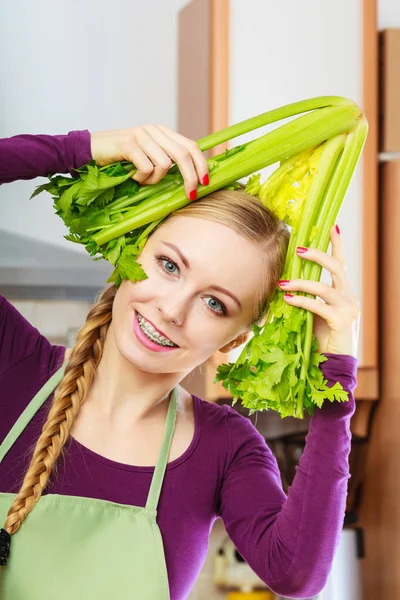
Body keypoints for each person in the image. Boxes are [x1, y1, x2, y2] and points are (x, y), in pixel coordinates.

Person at [0, 125, 359, 599]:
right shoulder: (14, 365)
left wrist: (336, 379)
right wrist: (82, 149)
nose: (171, 309)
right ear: (132, 249)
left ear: (236, 340)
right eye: (169, 266)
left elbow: (297, 575)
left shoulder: (225, 448)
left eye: (216, 304)